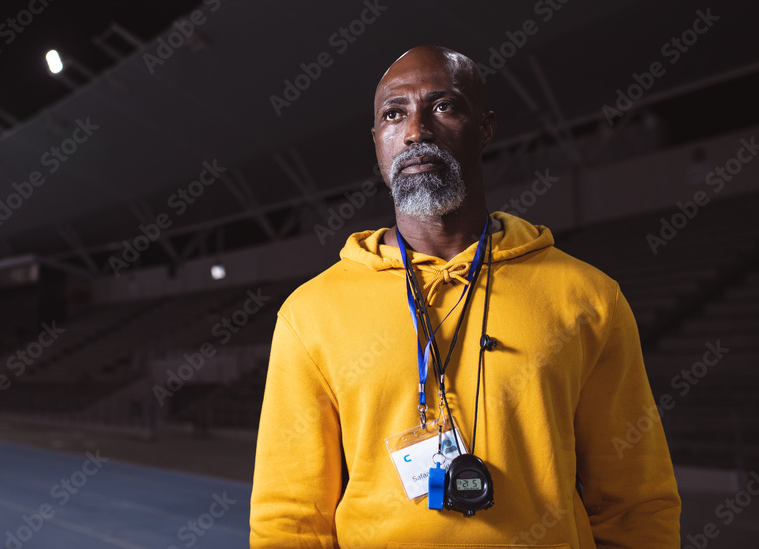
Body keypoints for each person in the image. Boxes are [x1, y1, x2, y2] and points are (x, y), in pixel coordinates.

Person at [249, 46, 680, 547]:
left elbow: (636, 500)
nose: (416, 131)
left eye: (444, 106)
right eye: (394, 114)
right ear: (376, 141)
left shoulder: (588, 297)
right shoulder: (312, 312)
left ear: (486, 127)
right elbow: (290, 515)